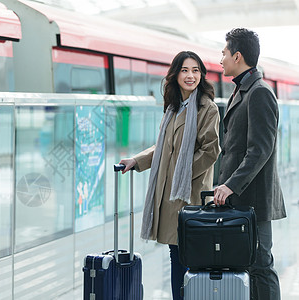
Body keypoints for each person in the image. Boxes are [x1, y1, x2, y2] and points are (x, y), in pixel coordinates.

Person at [119, 51, 220, 300]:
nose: (191, 75)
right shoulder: (174, 108)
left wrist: (182, 174)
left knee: (188, 258)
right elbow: (162, 147)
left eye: (196, 70)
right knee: (176, 256)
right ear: (175, 75)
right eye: (185, 70)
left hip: (190, 194)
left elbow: (211, 151)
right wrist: (137, 160)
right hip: (170, 195)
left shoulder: (207, 108)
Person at [213, 28, 286, 300]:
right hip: (241, 199)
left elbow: (260, 150)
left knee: (260, 267)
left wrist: (230, 185)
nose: (220, 59)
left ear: (238, 55)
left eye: (223, 53)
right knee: (248, 266)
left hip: (254, 200)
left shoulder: (259, 93)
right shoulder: (244, 90)